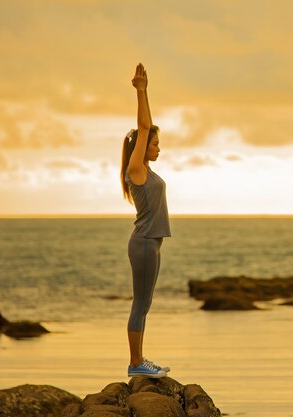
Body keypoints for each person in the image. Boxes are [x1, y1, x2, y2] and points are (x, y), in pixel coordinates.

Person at [120, 63, 171, 378]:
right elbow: (143, 126)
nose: (158, 147)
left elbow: (146, 128)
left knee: (144, 304)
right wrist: (142, 91)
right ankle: (136, 363)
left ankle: (139, 360)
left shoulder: (146, 173)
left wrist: (146, 93)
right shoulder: (136, 171)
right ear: (140, 148)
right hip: (142, 245)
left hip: (151, 244)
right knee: (140, 305)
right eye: (154, 143)